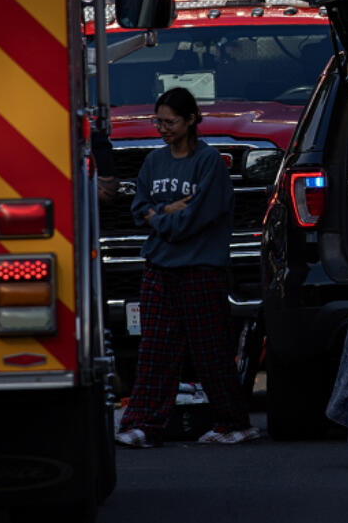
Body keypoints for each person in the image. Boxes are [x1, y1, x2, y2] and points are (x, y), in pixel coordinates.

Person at [114, 87, 261, 447]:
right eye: (158, 121)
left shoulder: (208, 163)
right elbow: (138, 210)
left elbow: (192, 220)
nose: (162, 128)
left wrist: (157, 215)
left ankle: (234, 423)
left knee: (210, 350)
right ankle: (144, 426)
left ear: (192, 120)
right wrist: (165, 210)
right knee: (155, 350)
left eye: (170, 121)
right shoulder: (153, 161)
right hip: (159, 266)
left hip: (200, 268)